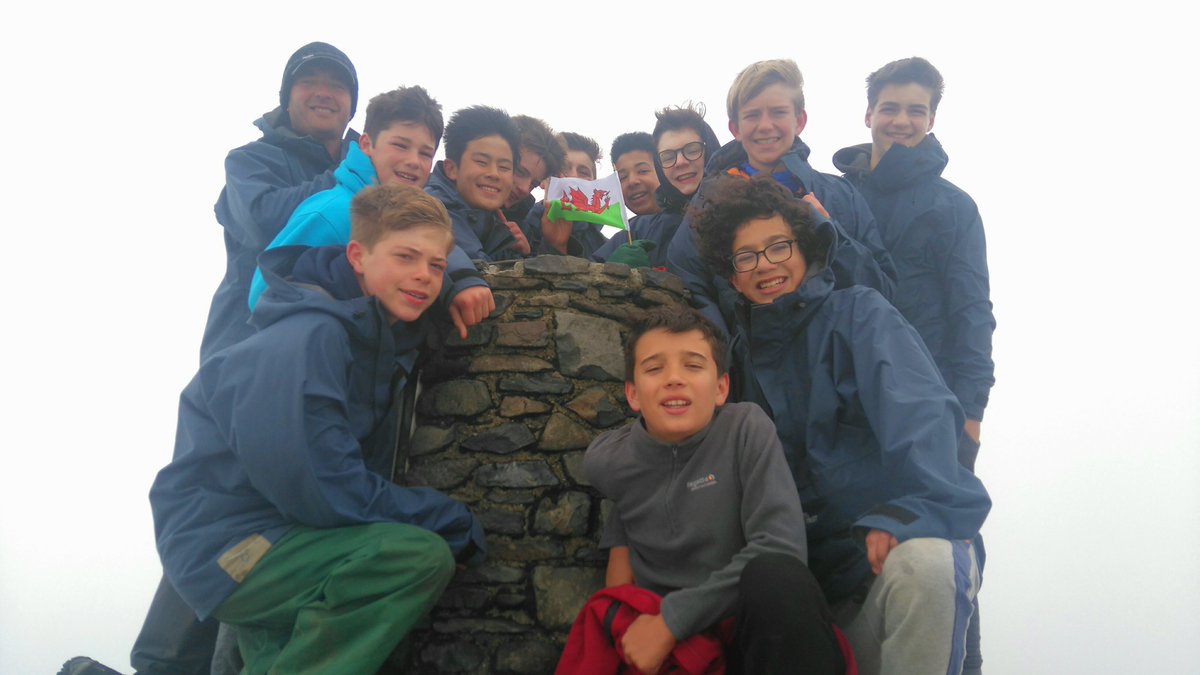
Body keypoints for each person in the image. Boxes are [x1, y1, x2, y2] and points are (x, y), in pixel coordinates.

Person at [151, 184, 486, 674]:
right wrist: (451, 520)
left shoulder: (368, 331)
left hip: (278, 531)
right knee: (416, 556)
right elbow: (324, 488)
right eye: (406, 256)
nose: (423, 275)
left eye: (436, 265)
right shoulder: (310, 334)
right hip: (232, 545)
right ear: (357, 255)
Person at [692, 174, 990, 675]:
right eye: (746, 256)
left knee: (930, 562)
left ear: (806, 249)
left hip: (876, 582)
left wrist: (906, 515)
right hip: (803, 610)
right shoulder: (734, 366)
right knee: (767, 580)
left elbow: (921, 416)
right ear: (733, 275)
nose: (765, 265)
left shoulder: (862, 315)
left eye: (778, 246)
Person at [558, 307, 848, 675]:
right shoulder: (608, 461)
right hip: (673, 652)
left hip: (749, 633)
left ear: (721, 387)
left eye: (693, 366)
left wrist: (670, 622)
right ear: (632, 394)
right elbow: (622, 549)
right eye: (653, 368)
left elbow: (782, 547)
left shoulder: (746, 429)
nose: (674, 379)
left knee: (778, 577)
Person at [833, 56, 995, 675]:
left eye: (916, 110)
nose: (902, 120)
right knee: (858, 550)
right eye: (891, 107)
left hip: (933, 408)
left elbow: (972, 313)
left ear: (932, 120)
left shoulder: (954, 206)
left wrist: (972, 414)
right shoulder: (837, 194)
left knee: (947, 553)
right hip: (847, 404)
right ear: (868, 113)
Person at [245, 85, 494, 339]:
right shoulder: (333, 212)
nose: (413, 161)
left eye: (425, 153)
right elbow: (265, 294)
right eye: (400, 145)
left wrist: (457, 285)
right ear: (366, 144)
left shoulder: (407, 215)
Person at [666, 58, 896, 329]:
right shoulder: (706, 203)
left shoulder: (839, 195)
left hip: (836, 356)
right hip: (749, 362)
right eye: (752, 115)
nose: (765, 126)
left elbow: (883, 289)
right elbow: (688, 284)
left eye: (778, 112)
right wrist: (730, 350)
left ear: (799, 120)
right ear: (735, 128)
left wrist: (834, 236)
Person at [199, 41, 361, 361]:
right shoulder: (248, 161)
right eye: (308, 81)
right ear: (287, 99)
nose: (323, 92)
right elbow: (263, 222)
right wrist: (347, 179)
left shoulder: (372, 170)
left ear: (351, 106)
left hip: (340, 354)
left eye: (337, 86)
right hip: (246, 351)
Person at [592, 106, 721, 266]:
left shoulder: (745, 205)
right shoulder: (637, 230)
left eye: (692, 150)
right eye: (668, 157)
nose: (680, 162)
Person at [424, 106, 530, 261]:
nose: (494, 174)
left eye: (504, 167)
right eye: (481, 162)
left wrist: (521, 252)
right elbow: (478, 270)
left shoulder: (493, 220)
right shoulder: (433, 211)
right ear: (451, 169)